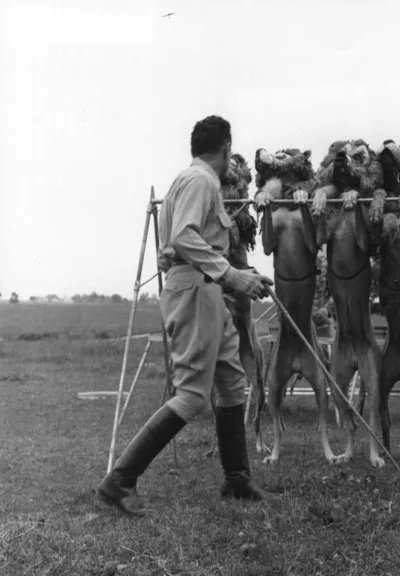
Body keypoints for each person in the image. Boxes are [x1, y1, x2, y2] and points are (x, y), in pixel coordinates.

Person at [98, 115, 274, 515]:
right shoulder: (199, 181)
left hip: (206, 290)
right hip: (195, 290)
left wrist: (239, 277)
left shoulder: (192, 180)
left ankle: (237, 480)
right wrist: (232, 274)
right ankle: (120, 480)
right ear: (226, 147)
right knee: (193, 395)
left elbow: (193, 243)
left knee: (231, 382)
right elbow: (184, 237)